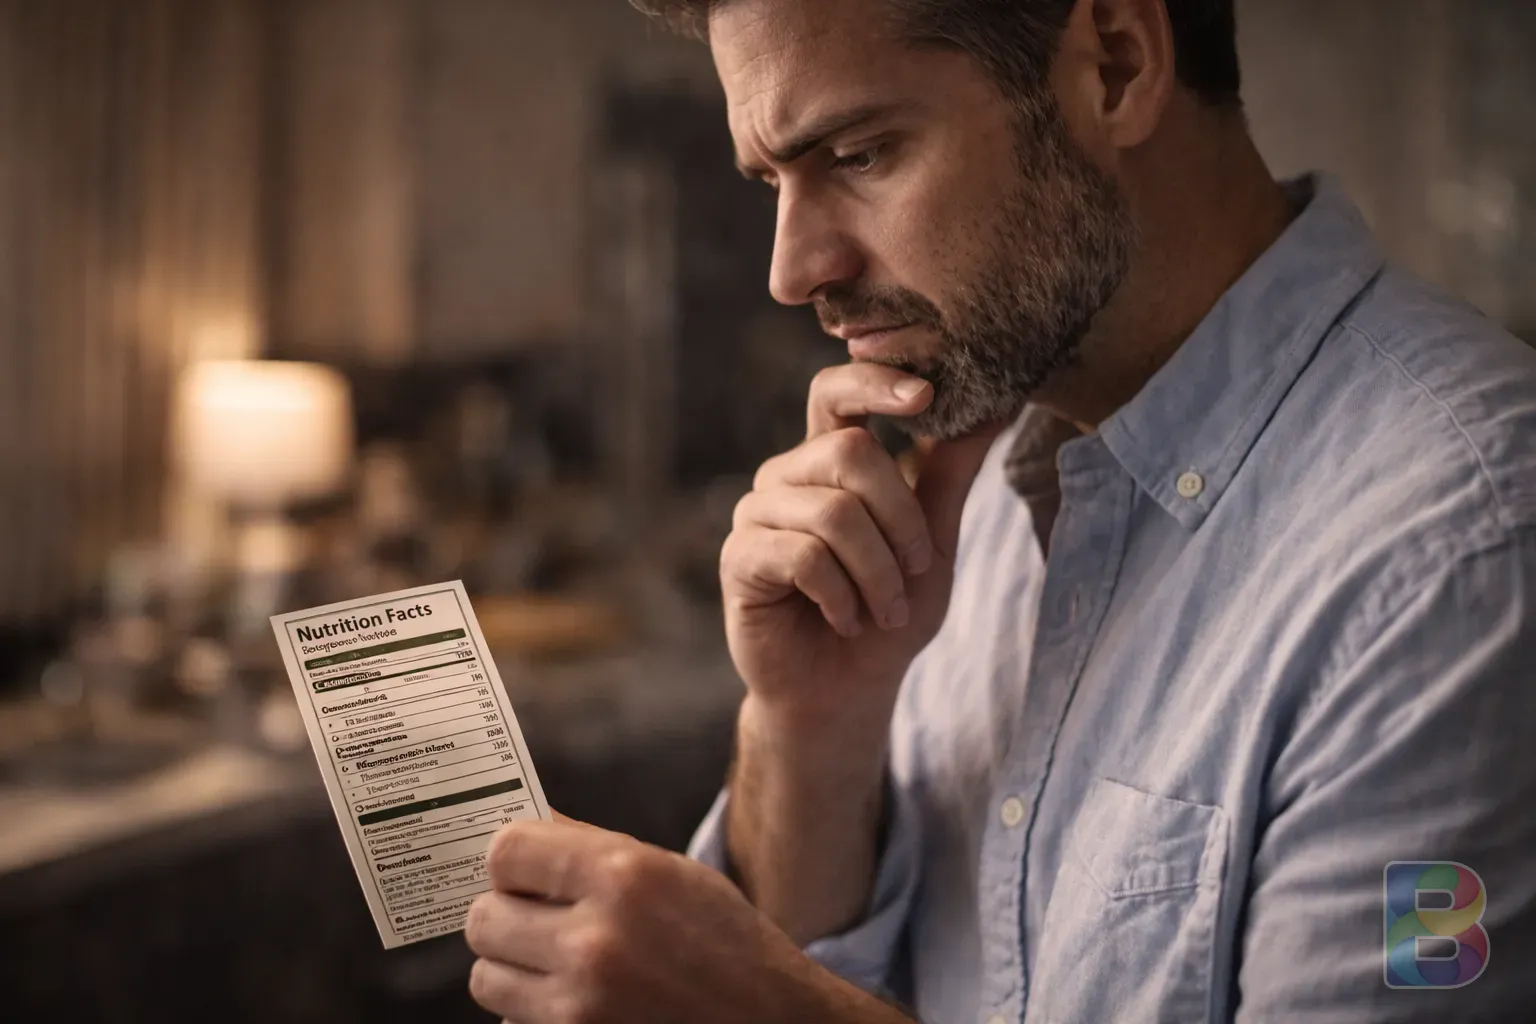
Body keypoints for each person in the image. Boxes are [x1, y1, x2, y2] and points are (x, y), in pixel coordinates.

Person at [462, 0, 1536, 1020]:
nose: (794, 270)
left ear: (1116, 62)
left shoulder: (1461, 551)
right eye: (769, 183)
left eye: (859, 153)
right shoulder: (960, 483)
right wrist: (810, 729)